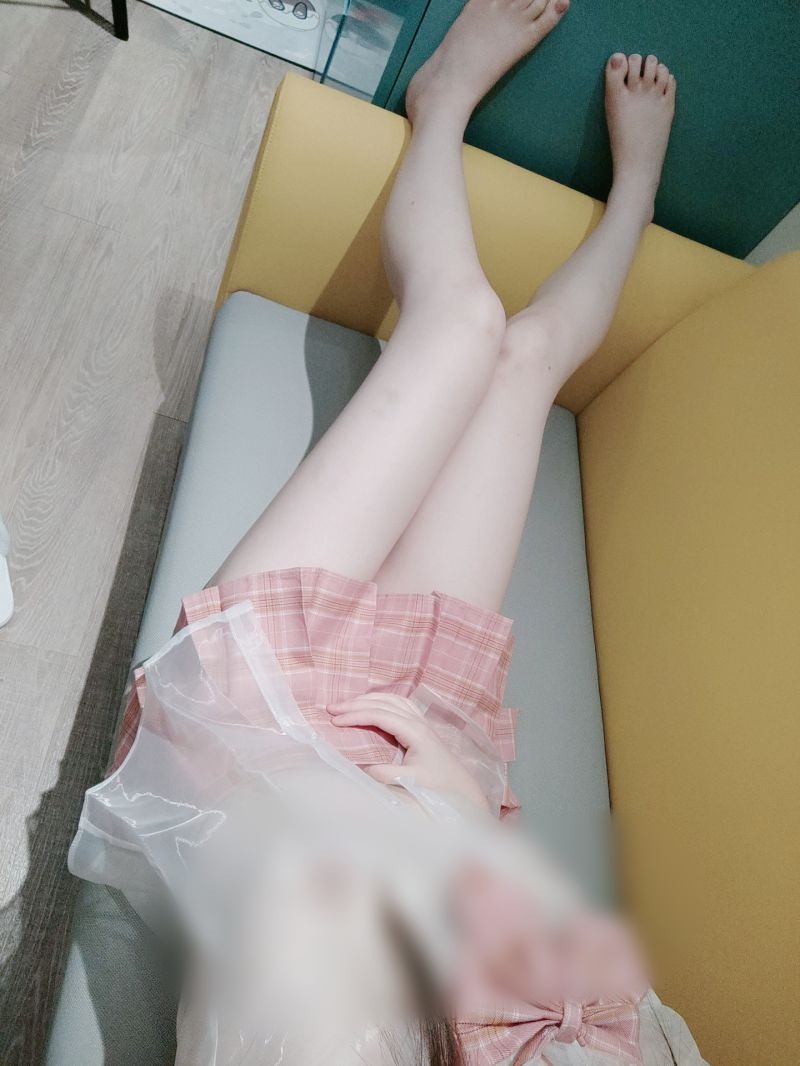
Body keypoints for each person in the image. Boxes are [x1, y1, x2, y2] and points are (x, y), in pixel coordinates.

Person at [72, 1, 688, 1063]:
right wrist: (458, 817)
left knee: (462, 324)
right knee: (520, 355)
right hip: (428, 771)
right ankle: (635, 190)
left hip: (253, 755)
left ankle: (439, 103)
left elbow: (293, 936)